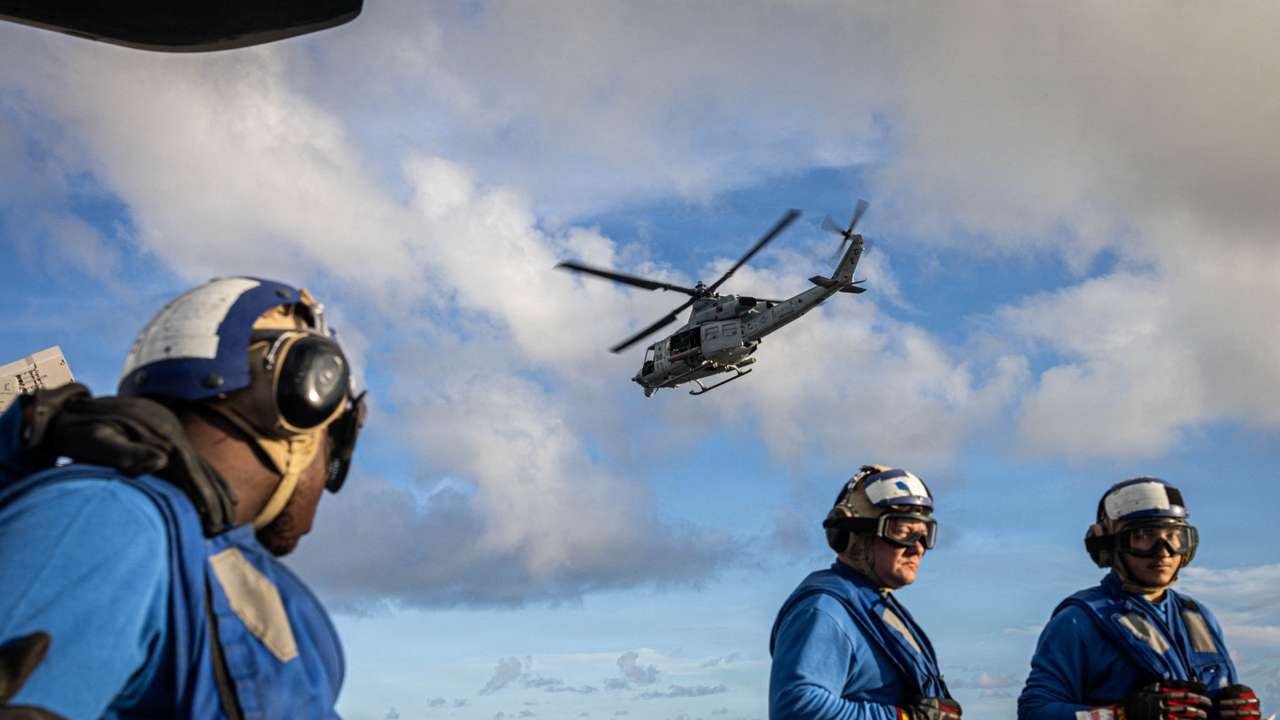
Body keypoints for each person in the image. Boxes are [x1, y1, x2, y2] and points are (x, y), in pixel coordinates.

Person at [0, 277, 366, 718]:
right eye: (336, 436)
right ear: (304, 399)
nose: (327, 475)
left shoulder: (296, 616)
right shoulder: (110, 519)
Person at [1018, 477, 1264, 720]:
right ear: (1111, 546)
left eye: (1174, 535)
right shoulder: (1078, 621)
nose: (1163, 552)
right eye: (1144, 536)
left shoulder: (1199, 617)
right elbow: (1034, 712)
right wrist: (1122, 715)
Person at [769, 465, 963, 720]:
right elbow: (796, 708)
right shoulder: (824, 611)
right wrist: (904, 718)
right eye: (902, 533)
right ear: (852, 537)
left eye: (924, 536)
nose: (917, 549)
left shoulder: (871, 605)